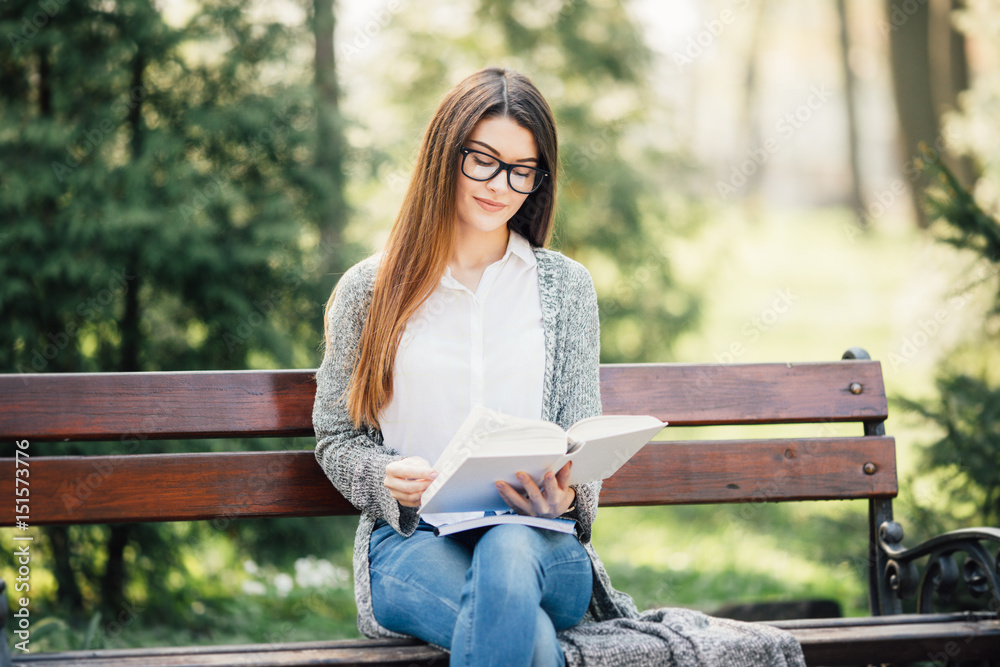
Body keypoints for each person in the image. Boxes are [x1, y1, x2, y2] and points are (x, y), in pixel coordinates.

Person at [311, 66, 633, 666]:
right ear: (444, 153)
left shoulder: (565, 289)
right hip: (414, 542)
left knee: (509, 549)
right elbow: (335, 439)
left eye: (521, 170)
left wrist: (565, 497)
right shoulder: (370, 291)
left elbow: (580, 440)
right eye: (483, 159)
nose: (499, 185)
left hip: (542, 543)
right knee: (523, 637)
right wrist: (382, 476)